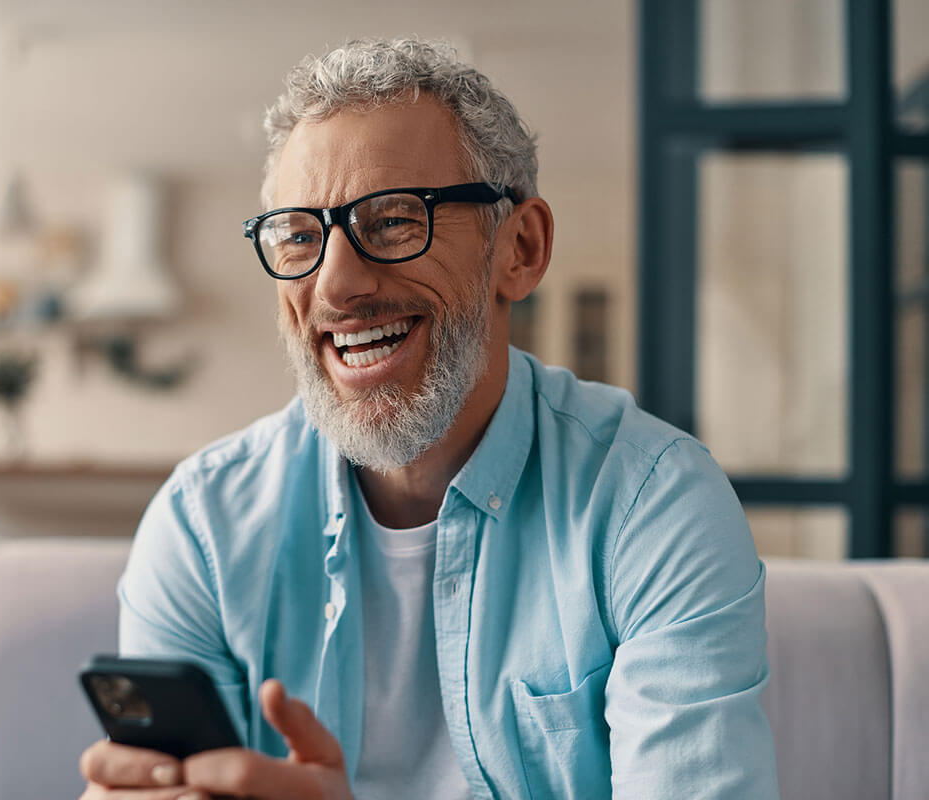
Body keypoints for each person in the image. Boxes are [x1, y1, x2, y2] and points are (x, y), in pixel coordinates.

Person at [79, 37, 780, 800]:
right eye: (300, 237)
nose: (336, 285)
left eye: (391, 221)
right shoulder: (201, 527)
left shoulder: (651, 504)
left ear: (520, 247)